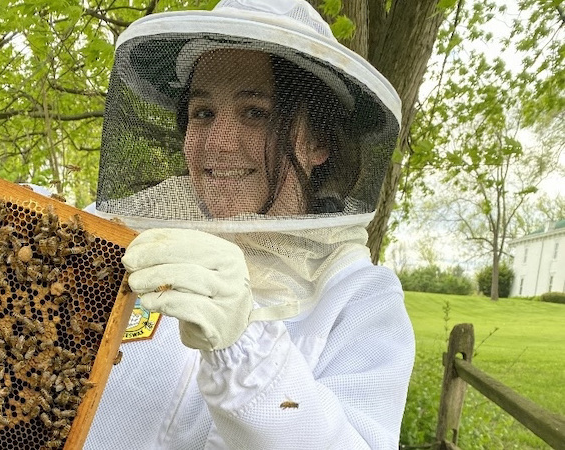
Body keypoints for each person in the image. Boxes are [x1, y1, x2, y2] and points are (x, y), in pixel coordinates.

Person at [83, 0, 415, 448]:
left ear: (317, 142)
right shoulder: (123, 239)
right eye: (203, 113)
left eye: (256, 113)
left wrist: (244, 349)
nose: (218, 143)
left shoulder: (360, 300)